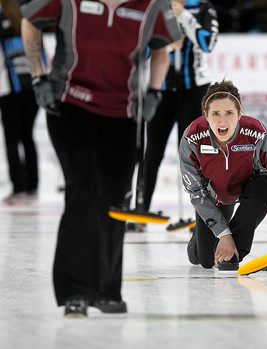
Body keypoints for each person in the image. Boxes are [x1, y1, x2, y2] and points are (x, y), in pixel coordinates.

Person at [21, 0, 180, 317]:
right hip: (69, 106)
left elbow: (163, 50)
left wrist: (155, 91)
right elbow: (30, 24)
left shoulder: (152, 6)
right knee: (81, 192)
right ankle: (75, 290)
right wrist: (38, 75)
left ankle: (107, 289)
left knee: (112, 199)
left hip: (123, 115)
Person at [179, 80, 267, 272]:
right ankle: (199, 243)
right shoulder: (192, 137)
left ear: (240, 113)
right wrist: (223, 234)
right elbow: (195, 192)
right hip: (214, 196)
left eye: (229, 113)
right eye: (215, 114)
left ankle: (234, 251)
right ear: (206, 115)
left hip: (251, 188)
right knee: (205, 260)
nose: (222, 121)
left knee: (266, 186)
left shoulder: (258, 134)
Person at [130, 0, 219, 232]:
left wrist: (186, 19)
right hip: (162, 89)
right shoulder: (156, 7)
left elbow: (208, 43)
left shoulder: (202, 8)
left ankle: (203, 216)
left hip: (193, 90)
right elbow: (141, 50)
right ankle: (141, 210)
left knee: (194, 154)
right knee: (153, 152)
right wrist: (167, 45)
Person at [0, 0, 39, 205]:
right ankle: (32, 184)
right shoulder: (27, 17)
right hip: (32, 85)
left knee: (11, 139)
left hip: (10, 87)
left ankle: (19, 187)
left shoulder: (2, 20)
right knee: (27, 136)